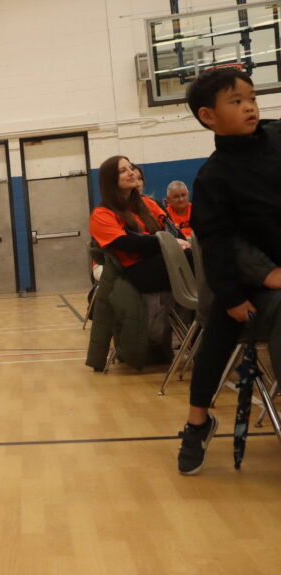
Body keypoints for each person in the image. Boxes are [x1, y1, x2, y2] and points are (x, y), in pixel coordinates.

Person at [176, 66, 281, 475]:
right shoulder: (212, 177)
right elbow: (216, 244)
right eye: (236, 102)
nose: (250, 107)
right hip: (242, 282)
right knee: (219, 328)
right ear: (209, 116)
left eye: (251, 98)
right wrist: (237, 295)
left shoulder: (276, 139)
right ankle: (197, 421)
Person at [89, 155, 190, 294]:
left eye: (130, 168)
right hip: (133, 270)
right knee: (188, 257)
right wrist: (168, 243)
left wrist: (180, 242)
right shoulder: (101, 213)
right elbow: (127, 244)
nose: (131, 173)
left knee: (196, 253)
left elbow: (173, 230)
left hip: (159, 258)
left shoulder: (148, 203)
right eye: (123, 170)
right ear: (110, 179)